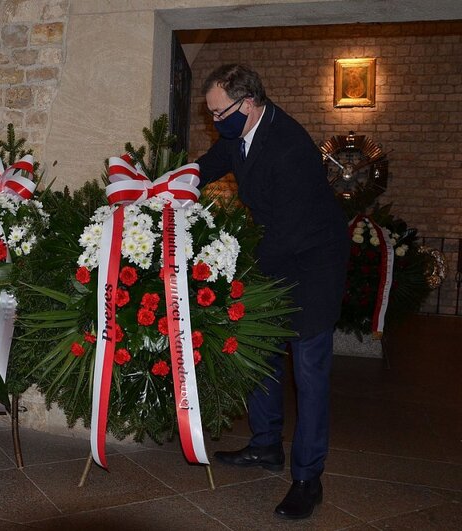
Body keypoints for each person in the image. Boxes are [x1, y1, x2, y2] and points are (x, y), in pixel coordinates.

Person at [195, 64, 349, 520]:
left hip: (313, 261)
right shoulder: (239, 130)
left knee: (309, 367)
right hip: (277, 248)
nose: (214, 121)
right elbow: (215, 160)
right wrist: (180, 181)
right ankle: (265, 446)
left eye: (218, 112)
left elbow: (290, 233)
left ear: (247, 103)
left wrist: (239, 275)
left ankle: (308, 478)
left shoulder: (290, 148)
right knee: (260, 349)